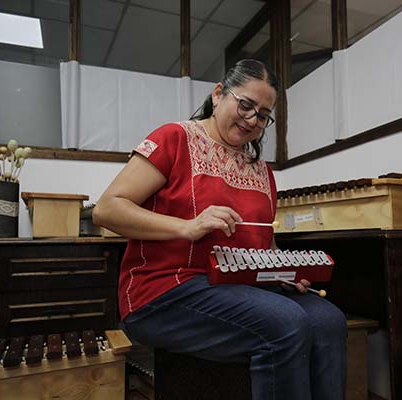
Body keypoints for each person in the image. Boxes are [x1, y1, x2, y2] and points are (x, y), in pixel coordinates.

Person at [93, 59, 347, 400]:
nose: (252, 119)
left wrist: (284, 273)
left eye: (262, 115)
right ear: (218, 95)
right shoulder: (175, 138)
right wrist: (187, 227)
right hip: (167, 289)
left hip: (239, 290)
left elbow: (265, 244)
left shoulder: (261, 170)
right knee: (285, 322)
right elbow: (107, 208)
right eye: (245, 105)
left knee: (329, 321)